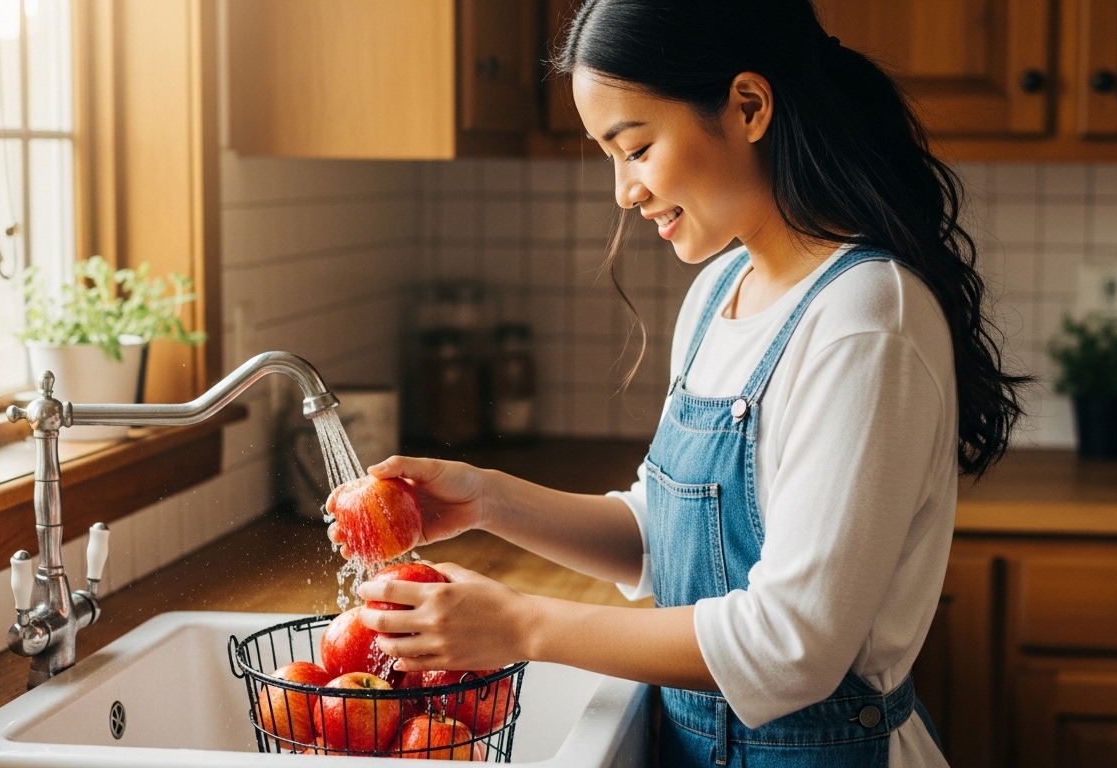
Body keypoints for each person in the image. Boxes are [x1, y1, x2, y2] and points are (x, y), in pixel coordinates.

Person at [356, 1, 1027, 765]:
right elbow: (669, 538)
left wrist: (522, 625)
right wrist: (489, 500)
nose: (623, 190)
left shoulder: (866, 319)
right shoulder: (720, 291)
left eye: (635, 147)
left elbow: (792, 643)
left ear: (748, 106)